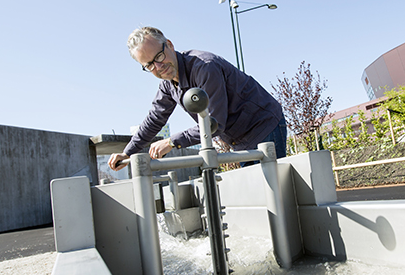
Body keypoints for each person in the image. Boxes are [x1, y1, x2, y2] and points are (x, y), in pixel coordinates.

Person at [108, 26, 286, 171]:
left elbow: (214, 123)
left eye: (159, 57)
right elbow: (155, 119)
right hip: (240, 140)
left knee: (273, 195)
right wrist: (128, 153)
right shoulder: (168, 84)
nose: (159, 67)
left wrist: (171, 142)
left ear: (169, 45)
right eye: (149, 65)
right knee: (257, 197)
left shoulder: (205, 68)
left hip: (263, 126)